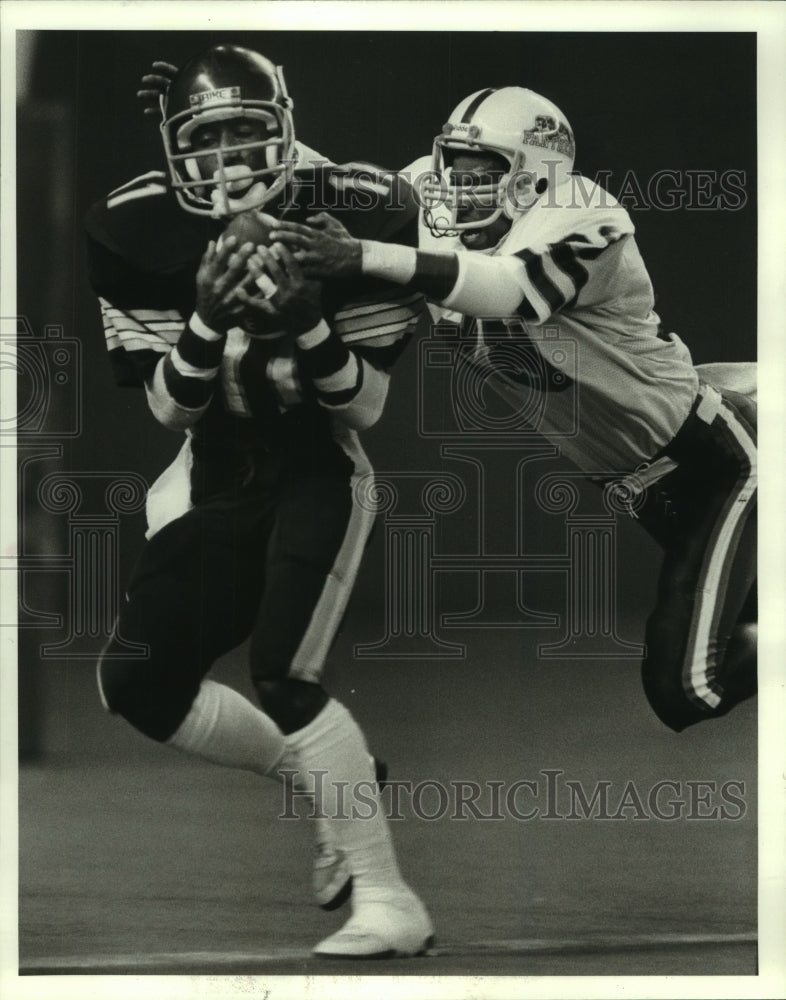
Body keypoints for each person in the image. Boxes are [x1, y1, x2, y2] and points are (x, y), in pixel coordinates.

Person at [85, 43, 434, 958]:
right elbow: (170, 408)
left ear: (287, 129)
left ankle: (391, 902)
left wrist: (306, 320)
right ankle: (328, 784)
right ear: (171, 147)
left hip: (315, 466)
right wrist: (207, 317)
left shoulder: (358, 210)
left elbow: (364, 406)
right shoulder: (135, 226)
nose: (228, 160)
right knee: (134, 681)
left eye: (247, 132)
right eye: (205, 138)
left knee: (284, 675)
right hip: (214, 468)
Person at [269, 86, 757, 734]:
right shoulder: (431, 202)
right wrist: (231, 112)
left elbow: (507, 289)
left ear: (536, 178)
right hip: (638, 483)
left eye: (480, 177)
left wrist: (364, 254)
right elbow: (327, 178)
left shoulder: (585, 216)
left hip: (714, 462)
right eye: (452, 171)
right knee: (751, 618)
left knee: (688, 688)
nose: (456, 191)